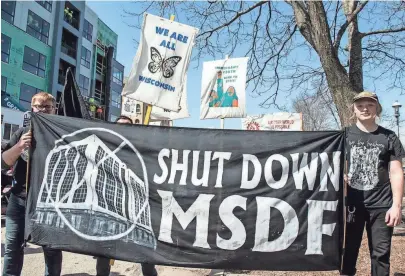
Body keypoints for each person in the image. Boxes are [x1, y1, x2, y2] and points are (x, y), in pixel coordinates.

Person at [342, 91, 404, 276]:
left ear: (377, 108)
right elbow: (331, 165)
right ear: (354, 109)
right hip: (351, 205)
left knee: (381, 255)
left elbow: (396, 172)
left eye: (370, 104)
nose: (365, 108)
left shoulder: (389, 137)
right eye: (360, 105)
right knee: (347, 253)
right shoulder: (343, 135)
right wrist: (341, 176)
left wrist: (396, 206)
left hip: (382, 206)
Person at [2, 92, 63, 276]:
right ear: (32, 108)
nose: (42, 110)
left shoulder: (62, 135)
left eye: (47, 107)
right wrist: (20, 146)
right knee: (12, 247)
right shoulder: (22, 133)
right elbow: (4, 163)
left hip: (50, 203)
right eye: (38, 106)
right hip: (19, 200)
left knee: (51, 250)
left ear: (54, 110)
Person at [95, 114, 158, 276]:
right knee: (104, 253)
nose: (123, 129)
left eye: (127, 126)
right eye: (119, 126)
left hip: (137, 207)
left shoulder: (141, 150)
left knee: (145, 251)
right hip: (111, 206)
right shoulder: (106, 148)